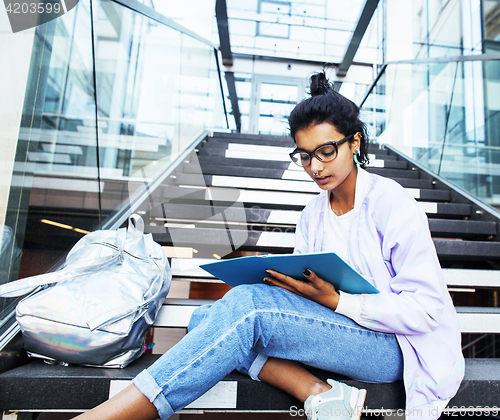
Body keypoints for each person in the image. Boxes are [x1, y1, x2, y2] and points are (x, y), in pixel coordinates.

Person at [74, 72, 464, 420]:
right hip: (341, 331)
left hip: (398, 348)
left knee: (243, 312)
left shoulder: (391, 203)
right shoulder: (312, 214)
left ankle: (110, 416)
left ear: (355, 142)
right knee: (205, 322)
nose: (315, 167)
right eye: (305, 156)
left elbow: (427, 312)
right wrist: (291, 288)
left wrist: (337, 301)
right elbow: (309, 294)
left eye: (326, 152)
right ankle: (320, 395)